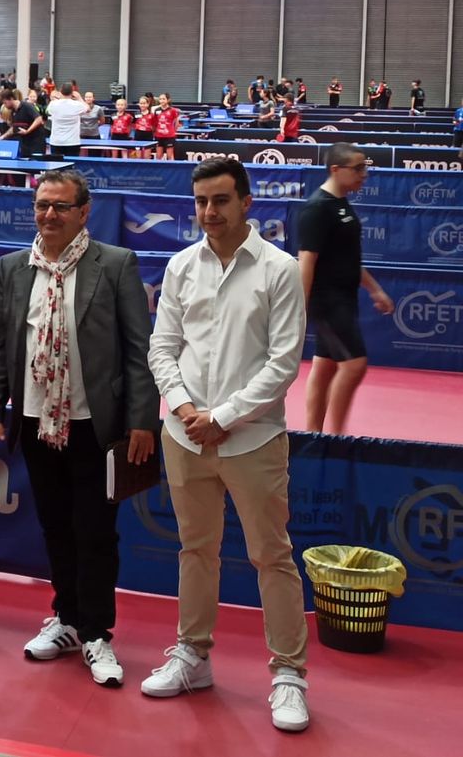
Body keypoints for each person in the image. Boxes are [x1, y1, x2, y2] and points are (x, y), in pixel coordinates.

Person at [141, 157, 309, 733]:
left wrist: (226, 416)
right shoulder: (182, 265)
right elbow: (162, 347)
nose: (209, 213)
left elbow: (284, 361)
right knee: (195, 549)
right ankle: (193, 655)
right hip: (184, 434)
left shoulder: (279, 269)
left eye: (220, 201)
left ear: (246, 203)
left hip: (253, 439)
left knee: (271, 555)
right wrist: (186, 409)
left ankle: (289, 674)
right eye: (201, 202)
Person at [0, 169, 157, 687]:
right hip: (36, 419)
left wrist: (143, 420)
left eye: (60, 206)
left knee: (95, 532)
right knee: (55, 527)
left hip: (94, 426)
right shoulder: (14, 267)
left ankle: (97, 632)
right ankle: (67, 620)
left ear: (84, 212)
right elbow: (0, 343)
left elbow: (138, 350)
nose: (49, 215)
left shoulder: (117, 265)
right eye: (42, 206)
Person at [298, 145, 394, 435]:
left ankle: (313, 436)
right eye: (357, 168)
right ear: (336, 170)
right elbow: (306, 262)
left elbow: (349, 258)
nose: (363, 174)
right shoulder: (317, 209)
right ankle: (337, 439)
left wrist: (375, 290)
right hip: (326, 302)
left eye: (365, 168)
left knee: (326, 365)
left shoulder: (343, 206)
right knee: (354, 366)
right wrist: (299, 309)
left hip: (346, 298)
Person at [46, 88, 88, 158]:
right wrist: (79, 98)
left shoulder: (53, 104)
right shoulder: (77, 104)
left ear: (61, 93)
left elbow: (48, 111)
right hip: (72, 142)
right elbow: (87, 108)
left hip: (56, 142)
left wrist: (58, 98)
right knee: (71, 166)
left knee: (56, 166)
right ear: (72, 93)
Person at [7, 88, 46, 159]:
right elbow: (13, 126)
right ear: (28, 96)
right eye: (31, 96)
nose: (33, 98)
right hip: (25, 143)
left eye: (34, 96)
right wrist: (3, 137)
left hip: (36, 142)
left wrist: (28, 131)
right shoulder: (14, 110)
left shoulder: (33, 107)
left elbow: (39, 119)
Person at [153, 92, 180, 160]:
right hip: (159, 136)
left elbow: (176, 122)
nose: (162, 101)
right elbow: (155, 123)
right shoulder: (157, 110)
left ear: (167, 100)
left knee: (170, 156)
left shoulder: (173, 110)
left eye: (163, 99)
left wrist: (173, 131)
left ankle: (172, 170)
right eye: (160, 99)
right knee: (158, 156)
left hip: (169, 137)